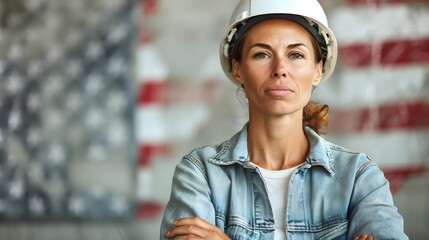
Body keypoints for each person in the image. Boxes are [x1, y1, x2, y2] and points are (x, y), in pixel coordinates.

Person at [160, 0, 408, 239]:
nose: (280, 68)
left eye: (296, 55)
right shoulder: (201, 174)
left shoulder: (359, 178)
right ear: (238, 69)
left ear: (318, 70)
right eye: (262, 54)